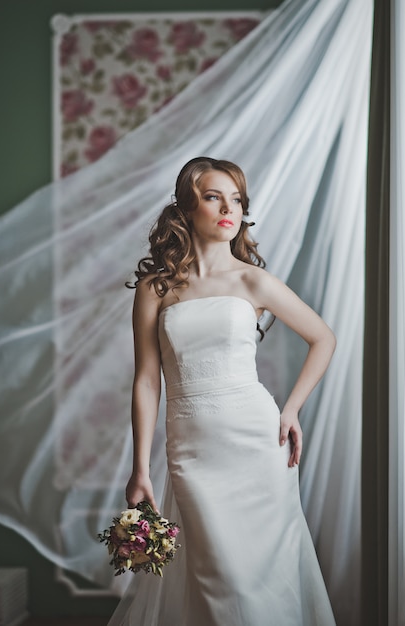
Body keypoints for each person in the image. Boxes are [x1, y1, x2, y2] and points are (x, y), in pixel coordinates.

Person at [108, 156, 337, 625]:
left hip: (256, 440)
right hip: (192, 446)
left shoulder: (252, 279)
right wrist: (139, 470)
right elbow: (147, 380)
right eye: (214, 197)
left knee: (262, 577)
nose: (228, 208)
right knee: (216, 577)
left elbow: (323, 338)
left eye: (236, 199)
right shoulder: (157, 287)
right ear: (188, 207)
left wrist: (291, 410)